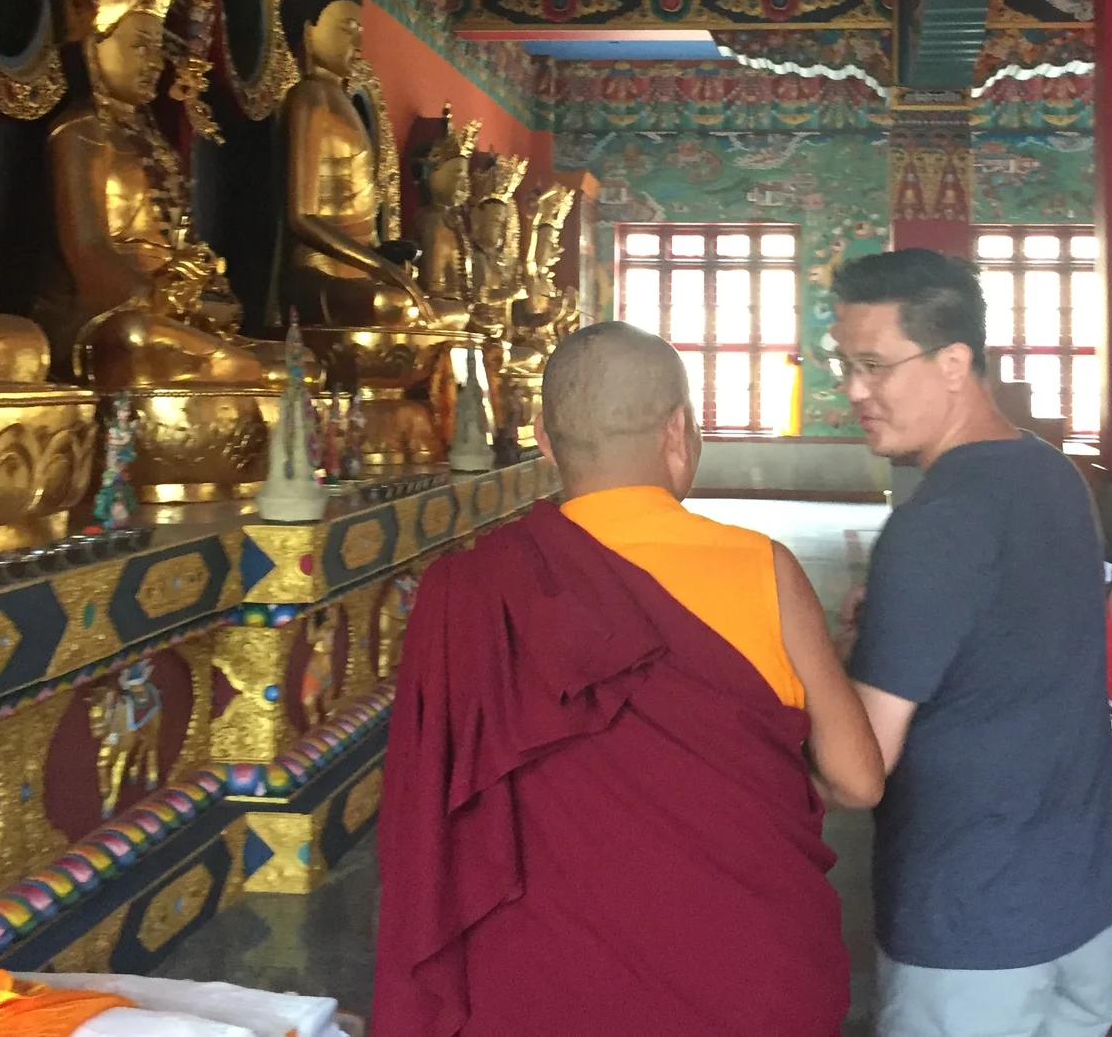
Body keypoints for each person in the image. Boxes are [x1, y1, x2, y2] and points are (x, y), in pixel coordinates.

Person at [374, 321, 884, 1037]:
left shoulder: (471, 590)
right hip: (751, 983)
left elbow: (429, 819)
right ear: (678, 431)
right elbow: (859, 780)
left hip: (546, 995)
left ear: (547, 444)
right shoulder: (761, 568)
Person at [830, 249, 1112, 1037]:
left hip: (976, 936)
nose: (854, 390)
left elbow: (857, 773)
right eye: (844, 364)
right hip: (1092, 907)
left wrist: (815, 659)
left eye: (874, 366)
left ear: (955, 361)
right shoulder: (1052, 474)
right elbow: (1019, 636)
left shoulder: (937, 525)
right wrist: (898, 621)